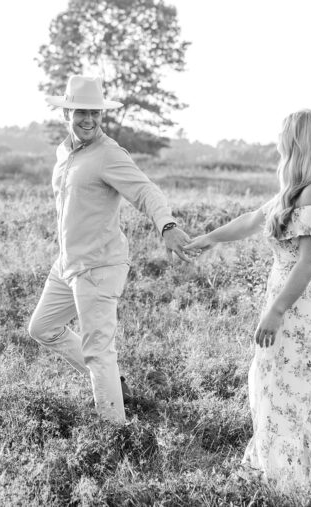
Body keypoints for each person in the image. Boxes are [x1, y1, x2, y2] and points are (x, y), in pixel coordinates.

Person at [183, 109, 311, 498]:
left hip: (304, 306)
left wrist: (276, 311)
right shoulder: (294, 190)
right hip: (290, 301)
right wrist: (206, 239)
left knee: (281, 388)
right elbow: (251, 219)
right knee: (276, 385)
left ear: (298, 142)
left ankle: (286, 483)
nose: (278, 142)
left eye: (284, 136)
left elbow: (309, 261)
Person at [27, 75, 192, 424]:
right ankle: (113, 381)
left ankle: (114, 433)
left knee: (99, 352)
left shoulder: (108, 154)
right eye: (80, 113)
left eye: (95, 114)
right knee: (42, 328)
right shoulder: (64, 152)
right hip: (68, 263)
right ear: (66, 113)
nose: (88, 120)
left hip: (99, 266)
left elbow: (146, 191)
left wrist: (167, 225)